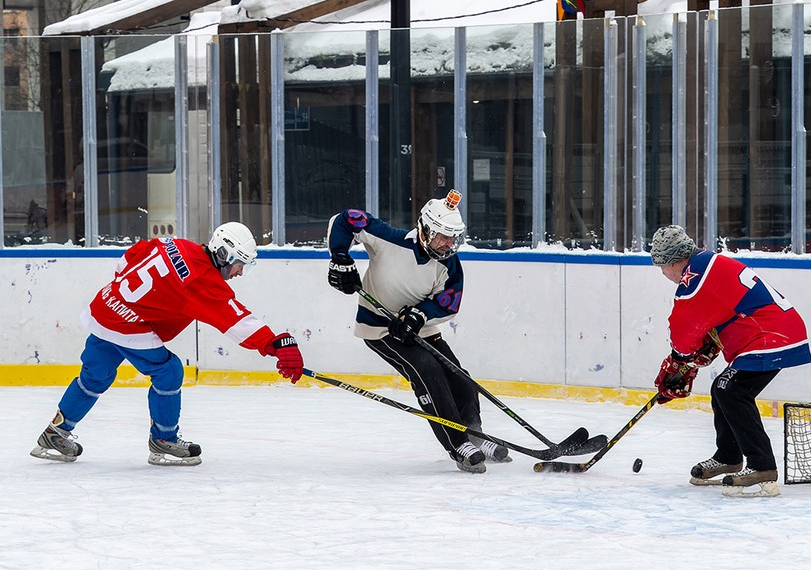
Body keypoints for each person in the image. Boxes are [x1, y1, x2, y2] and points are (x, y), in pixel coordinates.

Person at [30, 222, 304, 466]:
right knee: (169, 371)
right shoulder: (201, 280)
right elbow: (235, 319)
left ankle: (56, 432)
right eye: (239, 264)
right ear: (223, 255)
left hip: (105, 308)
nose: (239, 272)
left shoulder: (177, 244)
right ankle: (164, 439)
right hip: (128, 324)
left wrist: (121, 291)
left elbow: (133, 254)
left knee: (94, 376)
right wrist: (277, 344)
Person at [326, 189, 510, 474]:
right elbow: (345, 220)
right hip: (379, 328)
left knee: (459, 376)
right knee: (427, 370)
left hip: (421, 330)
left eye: (453, 237)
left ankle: (476, 434)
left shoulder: (449, 263)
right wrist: (340, 257)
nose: (449, 243)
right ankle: (457, 443)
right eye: (442, 236)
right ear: (424, 229)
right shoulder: (389, 238)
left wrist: (420, 314)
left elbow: (449, 301)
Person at [650, 225, 811, 497]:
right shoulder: (706, 263)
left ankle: (762, 466)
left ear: (672, 261)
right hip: (772, 331)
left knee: (731, 389)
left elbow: (684, 327)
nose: (663, 273)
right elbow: (717, 314)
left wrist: (679, 361)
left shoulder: (693, 276)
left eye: (661, 266)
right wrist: (690, 356)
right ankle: (728, 456)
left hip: (770, 335)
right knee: (723, 389)